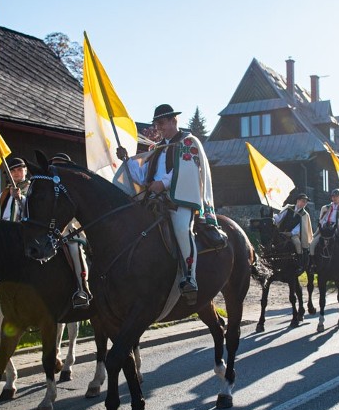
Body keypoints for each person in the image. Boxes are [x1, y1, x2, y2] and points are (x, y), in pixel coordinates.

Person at [116, 104, 216, 302]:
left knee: (181, 229)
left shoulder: (188, 142)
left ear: (173, 121)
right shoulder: (157, 148)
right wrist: (127, 160)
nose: (158, 127)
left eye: (161, 123)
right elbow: (143, 176)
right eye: (156, 124)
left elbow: (187, 169)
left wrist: (163, 183)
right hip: (154, 200)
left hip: (180, 200)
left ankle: (190, 278)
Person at [49, 153, 92, 309]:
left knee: (74, 249)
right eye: (55, 165)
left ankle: (82, 290)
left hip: (72, 231)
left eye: (61, 165)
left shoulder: (76, 187)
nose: (58, 168)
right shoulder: (51, 186)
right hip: (52, 231)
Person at [310, 188, 339, 258]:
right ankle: (312, 264)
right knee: (312, 244)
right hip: (325, 230)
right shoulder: (325, 208)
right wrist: (324, 224)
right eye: (333, 196)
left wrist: (335, 225)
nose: (334, 198)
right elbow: (321, 220)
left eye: (337, 196)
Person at [274, 193, 314, 272]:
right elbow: (279, 217)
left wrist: (291, 233)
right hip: (282, 231)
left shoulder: (304, 214)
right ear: (298, 201)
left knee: (297, 243)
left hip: (294, 234)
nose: (304, 204)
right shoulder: (289, 208)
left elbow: (300, 227)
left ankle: (300, 264)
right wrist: (273, 218)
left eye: (305, 202)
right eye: (303, 201)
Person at [0, 157, 29, 221]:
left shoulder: (32, 189)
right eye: (12, 171)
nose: (16, 173)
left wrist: (20, 198)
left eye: (19, 169)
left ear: (26, 171)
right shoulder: (4, 193)